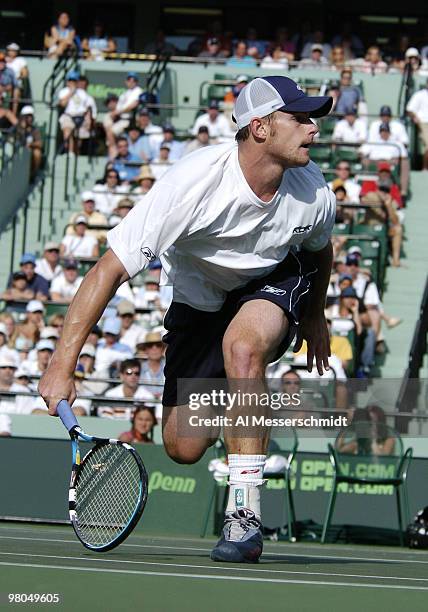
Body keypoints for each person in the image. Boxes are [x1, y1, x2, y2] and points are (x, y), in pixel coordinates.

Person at [39, 75, 335, 564]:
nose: (313, 129)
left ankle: (244, 517)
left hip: (272, 281)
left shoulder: (312, 190)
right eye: (300, 118)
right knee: (183, 446)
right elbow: (109, 270)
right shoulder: (192, 183)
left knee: (243, 349)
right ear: (260, 128)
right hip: (197, 300)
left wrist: (318, 315)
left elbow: (320, 253)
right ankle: (247, 423)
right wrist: (60, 364)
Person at [102, 72, 143, 158]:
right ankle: (111, 144)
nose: (131, 82)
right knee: (106, 118)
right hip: (121, 118)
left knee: (110, 132)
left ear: (136, 82)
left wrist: (118, 112)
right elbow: (119, 108)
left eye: (134, 80)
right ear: (126, 81)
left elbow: (134, 105)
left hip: (130, 119)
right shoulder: (125, 93)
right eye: (129, 80)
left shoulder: (138, 91)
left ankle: (113, 150)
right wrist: (115, 114)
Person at [15, 106, 43, 179]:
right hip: (18, 150)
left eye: (31, 116)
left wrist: (30, 144)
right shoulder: (17, 128)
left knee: (37, 153)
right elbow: (14, 139)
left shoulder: (35, 129)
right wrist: (23, 129)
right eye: (27, 116)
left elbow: (40, 143)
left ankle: (33, 174)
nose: (29, 118)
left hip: (30, 151)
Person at [406, 78, 428, 170]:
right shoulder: (420, 94)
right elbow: (410, 109)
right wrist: (415, 118)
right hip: (424, 123)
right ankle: (425, 168)